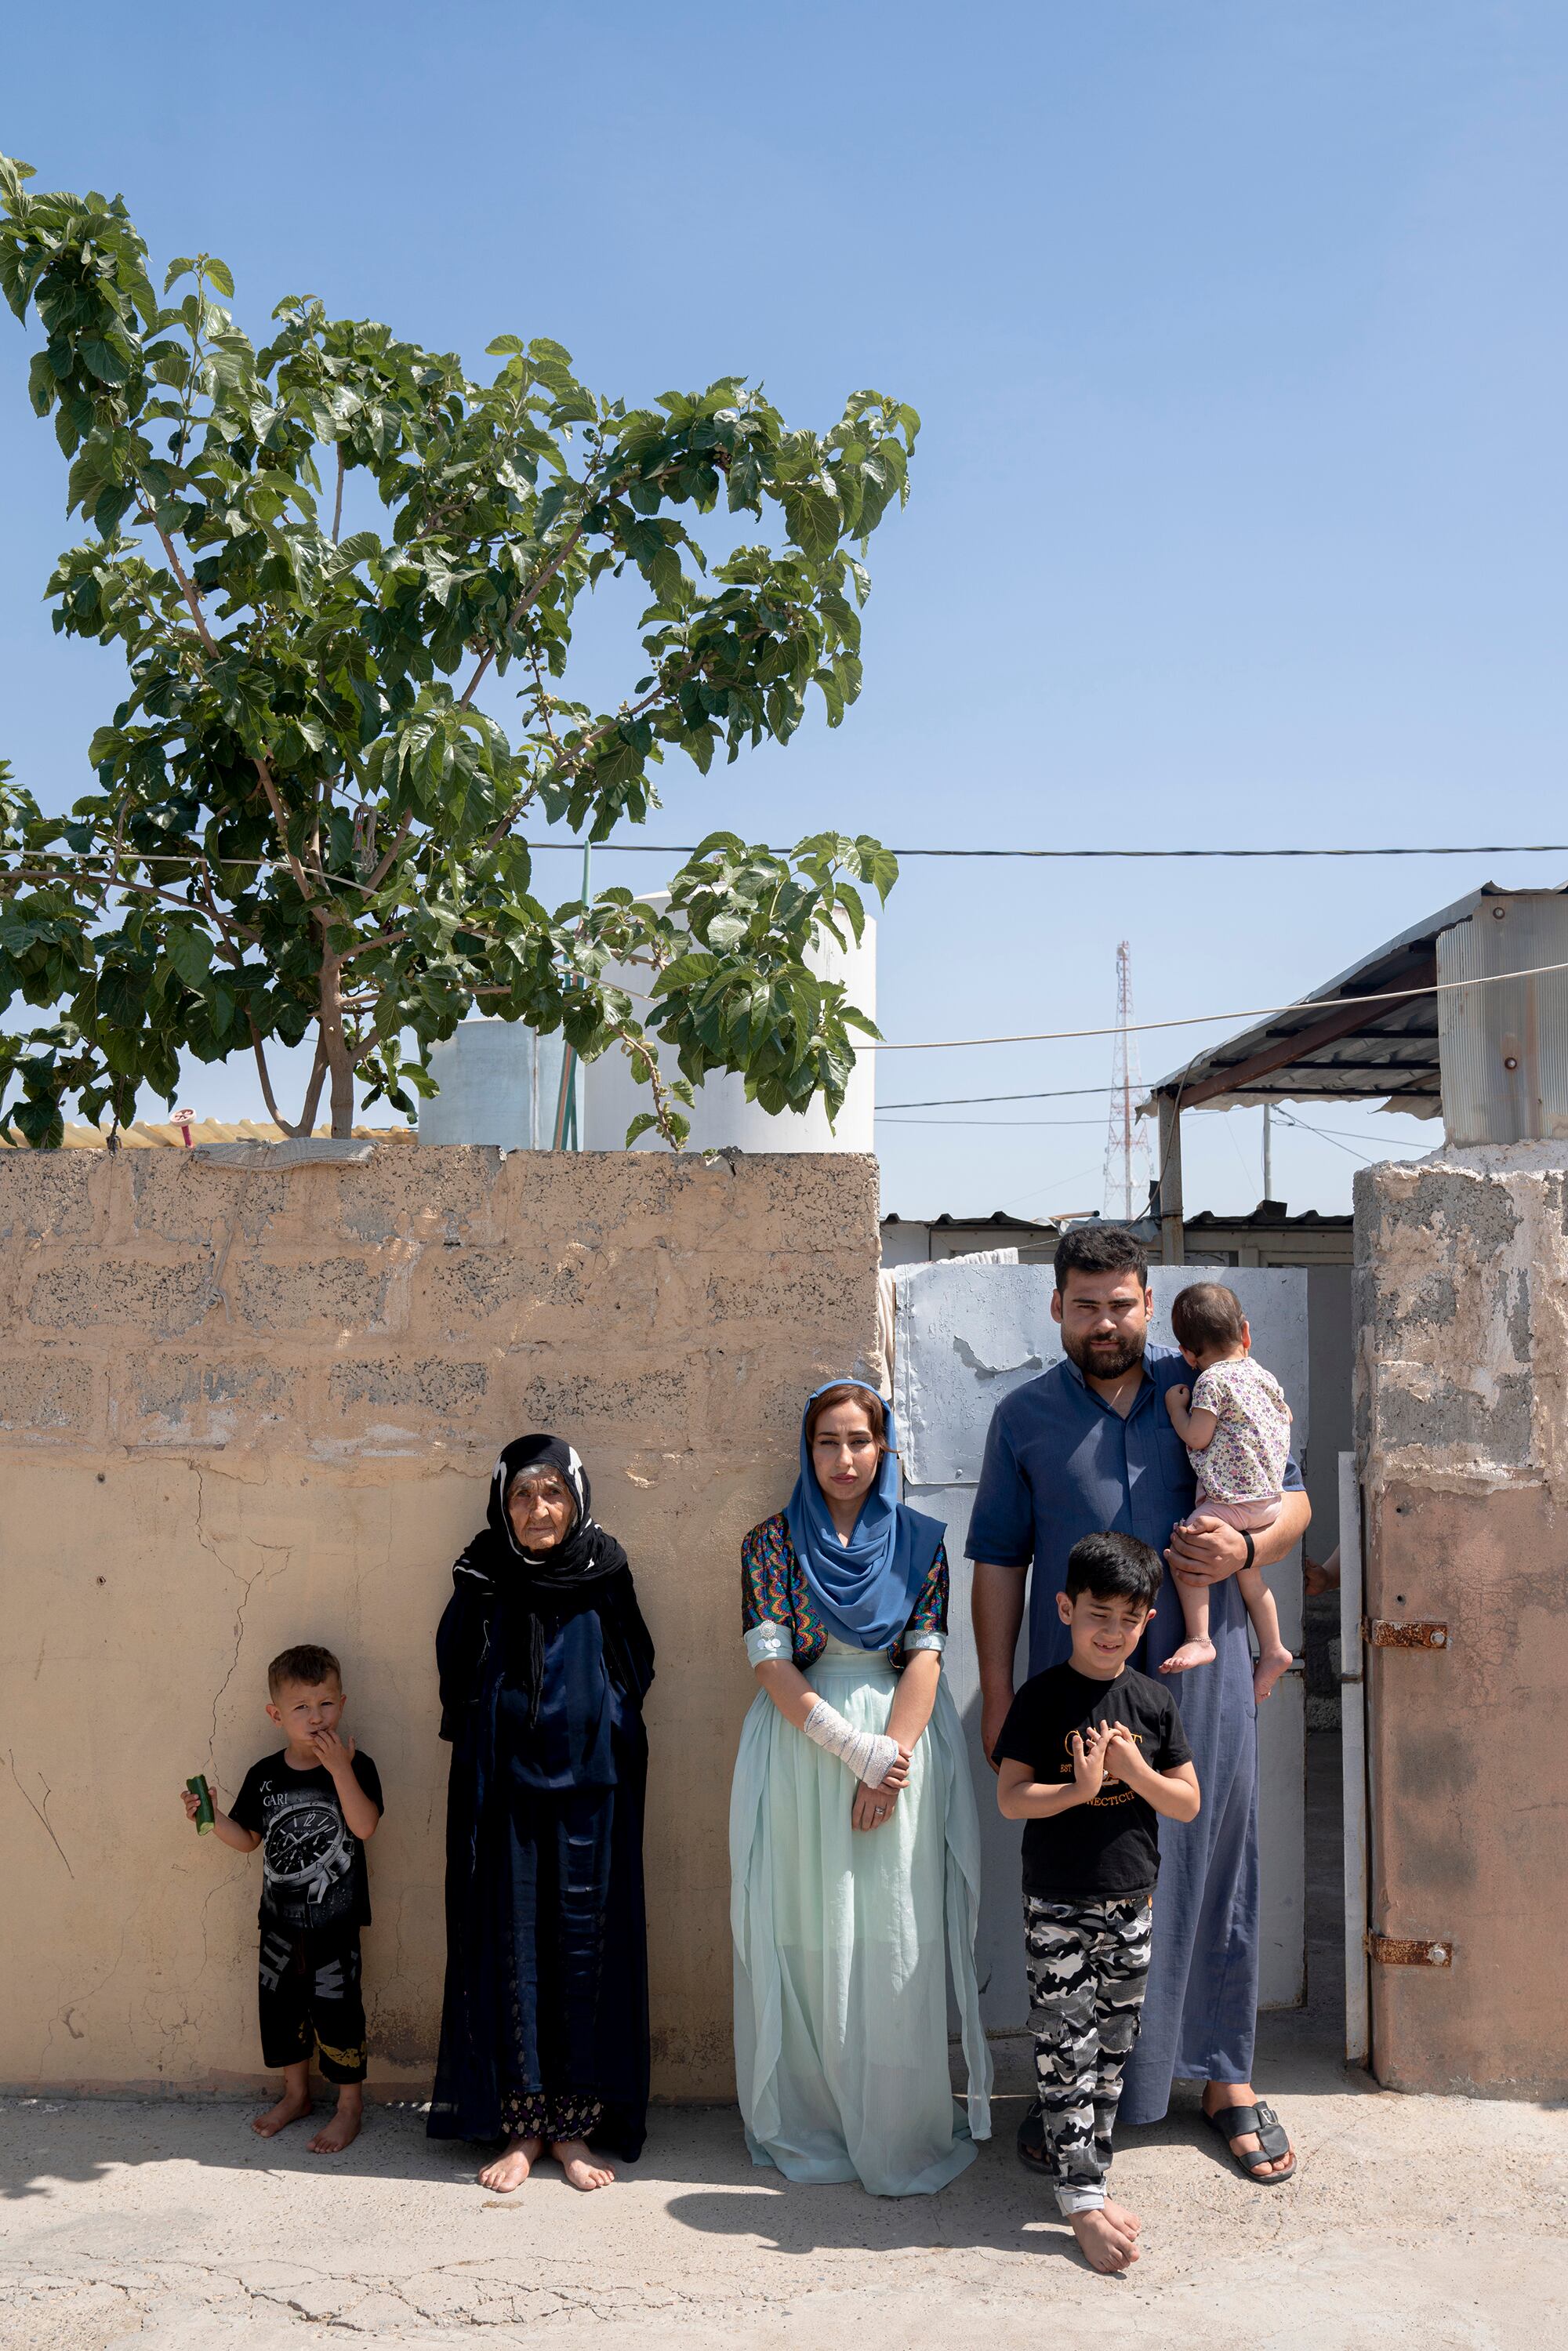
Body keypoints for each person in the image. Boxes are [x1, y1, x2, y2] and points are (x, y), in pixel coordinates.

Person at [969, 1224, 1308, 2186]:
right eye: (1084, 1304)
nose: (1103, 1321)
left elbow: (1291, 1504)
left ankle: (1223, 2076)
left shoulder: (1208, 1387)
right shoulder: (1023, 1415)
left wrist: (1247, 1553)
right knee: (1083, 1871)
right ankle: (1081, 2079)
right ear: (1055, 1308)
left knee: (1212, 1862)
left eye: (1120, 1302)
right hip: (1075, 1686)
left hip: (1203, 1676)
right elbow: (997, 1560)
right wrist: (997, 1696)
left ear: (1147, 1302)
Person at [730, 1380, 992, 2196]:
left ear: (883, 1449)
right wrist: (849, 1749)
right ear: (805, 1451)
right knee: (807, 1931)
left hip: (900, 1745)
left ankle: (894, 2116)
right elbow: (770, 1661)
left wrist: (889, 1757)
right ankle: (814, 2115)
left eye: (858, 1440)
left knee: (890, 1934)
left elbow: (924, 1654)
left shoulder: (919, 1542)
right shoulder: (768, 1543)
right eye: (826, 1442)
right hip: (804, 1748)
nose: (843, 1459)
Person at [427, 1436, 655, 2193]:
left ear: (577, 1497)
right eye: (523, 1495)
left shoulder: (604, 1570)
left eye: (553, 1492)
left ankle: (574, 2132)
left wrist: (599, 1728)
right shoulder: (482, 1574)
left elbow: (636, 1665)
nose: (538, 1509)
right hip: (505, 1798)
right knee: (514, 1949)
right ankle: (522, 2130)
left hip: (591, 1794)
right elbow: (456, 1671)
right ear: (502, 1501)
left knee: (585, 1950)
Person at [996, 1533, 1200, 2275]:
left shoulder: (1153, 1701)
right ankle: (1080, 2200)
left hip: (1131, 1902)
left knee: (1111, 2053)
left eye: (1129, 1617)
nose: (1112, 1630)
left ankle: (1091, 2176)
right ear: (1065, 1609)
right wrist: (1080, 1790)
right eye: (1097, 1613)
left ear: (1148, 1621)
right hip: (1057, 1904)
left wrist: (1134, 1769)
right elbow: (1011, 1796)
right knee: (1063, 2050)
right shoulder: (1043, 1698)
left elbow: (1185, 1802)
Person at [179, 1642, 383, 2154]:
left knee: (339, 2014)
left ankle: (348, 2105)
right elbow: (248, 1838)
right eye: (301, 1707)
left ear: (342, 1702)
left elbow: (364, 1825)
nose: (316, 1717)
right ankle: (296, 2094)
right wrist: (211, 1818)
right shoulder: (265, 1776)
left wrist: (339, 1769)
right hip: (278, 1924)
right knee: (283, 2010)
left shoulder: (358, 1765)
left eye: (326, 1704)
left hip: (335, 1926)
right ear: (276, 1714)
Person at [1160, 1280, 1295, 1702]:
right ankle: (1273, 1649)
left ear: (1188, 1355)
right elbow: (1284, 1418)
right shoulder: (1264, 1376)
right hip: (1270, 1501)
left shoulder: (1211, 1380)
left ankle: (1200, 1637)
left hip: (1231, 1504)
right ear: (1246, 1334)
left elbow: (1198, 1437)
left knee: (1190, 1544)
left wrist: (1175, 1409)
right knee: (1250, 1579)